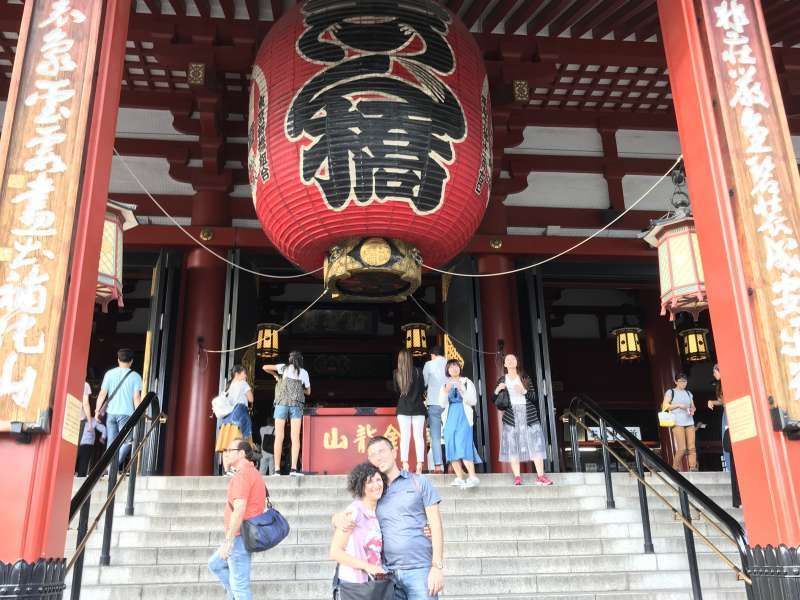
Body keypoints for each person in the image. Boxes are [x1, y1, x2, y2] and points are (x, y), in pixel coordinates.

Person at [334, 436, 444, 600]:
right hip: (387, 574)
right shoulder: (374, 491)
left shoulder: (418, 482)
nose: (378, 457)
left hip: (420, 570)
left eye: (382, 451)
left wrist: (437, 567)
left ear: (394, 452)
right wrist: (336, 518)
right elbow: (352, 512)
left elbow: (435, 525)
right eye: (372, 454)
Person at [208, 438, 267, 600]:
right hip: (243, 533)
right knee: (215, 564)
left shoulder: (242, 475)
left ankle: (235, 593)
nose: (225, 454)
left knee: (240, 586)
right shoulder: (251, 471)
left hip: (239, 535)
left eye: (229, 451)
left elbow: (239, 509)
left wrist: (229, 540)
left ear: (241, 454)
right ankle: (232, 593)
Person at [330, 462, 393, 599]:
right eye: (370, 482)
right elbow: (335, 552)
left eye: (378, 479)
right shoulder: (354, 512)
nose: (376, 485)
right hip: (353, 585)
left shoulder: (378, 512)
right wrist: (367, 566)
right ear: (361, 486)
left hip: (373, 586)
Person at [493, 354, 553, 486]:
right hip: (511, 416)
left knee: (535, 445)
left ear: (516, 362)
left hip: (528, 415)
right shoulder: (502, 380)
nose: (510, 361)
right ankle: (517, 477)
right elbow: (495, 400)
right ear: (504, 364)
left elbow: (534, 396)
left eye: (512, 359)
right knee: (513, 447)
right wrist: (498, 389)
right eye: (507, 360)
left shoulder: (525, 378)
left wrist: (523, 391)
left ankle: (541, 476)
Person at [263, 350, 310, 476]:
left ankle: (277, 470)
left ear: (289, 360)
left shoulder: (283, 368)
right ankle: (294, 469)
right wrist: (299, 388)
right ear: (301, 361)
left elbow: (264, 367)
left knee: (279, 437)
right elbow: (308, 392)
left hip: (281, 403)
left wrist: (277, 376)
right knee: (295, 438)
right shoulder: (304, 373)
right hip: (296, 404)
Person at [95, 348, 143, 467]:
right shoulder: (136, 376)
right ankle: (112, 466)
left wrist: (97, 411)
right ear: (131, 361)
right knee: (128, 441)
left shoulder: (109, 374)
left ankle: (108, 467)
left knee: (111, 443)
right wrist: (139, 414)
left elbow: (102, 394)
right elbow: (136, 397)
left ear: (118, 359)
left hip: (111, 413)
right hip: (126, 414)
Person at [439, 359, 482, 488]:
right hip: (450, 417)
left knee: (463, 445)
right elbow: (441, 403)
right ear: (447, 370)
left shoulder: (467, 382)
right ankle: (459, 477)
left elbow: (473, 401)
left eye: (456, 366)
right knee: (451, 445)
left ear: (459, 368)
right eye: (451, 367)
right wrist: (446, 392)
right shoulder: (444, 385)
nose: (454, 369)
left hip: (464, 416)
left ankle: (472, 476)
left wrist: (462, 389)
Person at [707, 364, 741, 507]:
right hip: (726, 413)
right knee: (726, 444)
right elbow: (722, 401)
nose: (714, 375)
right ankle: (729, 468)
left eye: (715, 372)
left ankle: (733, 470)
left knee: (729, 443)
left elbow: (728, 400)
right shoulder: (720, 385)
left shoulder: (727, 382)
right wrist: (712, 401)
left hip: (731, 412)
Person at [394, 350, 427, 475]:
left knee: (405, 437)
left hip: (403, 408)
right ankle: (419, 465)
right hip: (418, 407)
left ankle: (405, 464)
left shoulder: (396, 373)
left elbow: (396, 390)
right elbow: (423, 388)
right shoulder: (418, 371)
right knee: (419, 437)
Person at [215, 365, 255, 459]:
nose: (246, 376)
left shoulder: (229, 386)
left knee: (227, 444)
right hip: (239, 417)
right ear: (237, 374)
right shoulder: (243, 384)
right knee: (239, 443)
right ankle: (235, 467)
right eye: (244, 373)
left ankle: (227, 469)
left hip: (228, 419)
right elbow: (251, 399)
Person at [662, 373, 697, 472]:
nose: (683, 383)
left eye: (685, 381)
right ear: (676, 381)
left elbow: (693, 406)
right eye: (681, 381)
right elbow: (665, 406)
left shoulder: (689, 393)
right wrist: (679, 405)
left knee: (692, 447)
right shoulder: (670, 392)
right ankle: (675, 467)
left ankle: (693, 467)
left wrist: (693, 410)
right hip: (677, 422)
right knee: (682, 448)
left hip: (689, 421)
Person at [422, 346, 447, 474]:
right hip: (448, 403)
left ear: (432, 355)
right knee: (450, 434)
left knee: (435, 436)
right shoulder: (450, 363)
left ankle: (438, 465)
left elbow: (424, 382)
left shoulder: (429, 364)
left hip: (434, 403)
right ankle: (453, 464)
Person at [76, 382, 106, 477]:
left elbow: (103, 429)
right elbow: (85, 404)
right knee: (79, 464)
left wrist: (103, 437)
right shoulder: (89, 421)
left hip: (85, 444)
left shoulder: (93, 421)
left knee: (81, 464)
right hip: (82, 444)